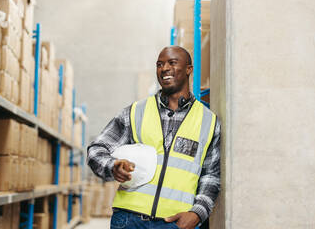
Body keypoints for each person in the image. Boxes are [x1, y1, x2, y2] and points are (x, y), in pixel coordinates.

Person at [87, 46, 221, 229]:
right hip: (129, 220)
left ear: (189, 69)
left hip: (175, 223)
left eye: (172, 63)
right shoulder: (135, 112)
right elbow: (97, 149)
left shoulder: (208, 121)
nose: (164, 68)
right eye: (159, 64)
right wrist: (112, 166)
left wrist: (197, 213)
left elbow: (211, 176)